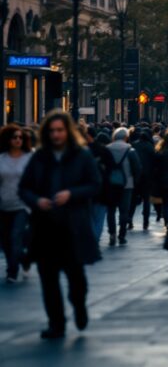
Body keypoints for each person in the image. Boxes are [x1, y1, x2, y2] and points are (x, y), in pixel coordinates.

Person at [18, 110, 102, 339]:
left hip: (72, 226)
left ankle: (79, 305)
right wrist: (37, 200)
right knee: (48, 279)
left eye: (60, 130)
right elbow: (24, 188)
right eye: (52, 131)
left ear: (68, 132)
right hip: (45, 227)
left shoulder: (81, 156)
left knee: (76, 277)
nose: (56, 135)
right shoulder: (39, 157)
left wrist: (72, 194)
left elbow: (95, 185)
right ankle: (56, 323)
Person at [0, 125, 33, 282]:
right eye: (14, 137)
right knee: (5, 240)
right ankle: (23, 258)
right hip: (3, 204)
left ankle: (12, 271)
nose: (18, 140)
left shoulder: (28, 158)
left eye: (20, 137)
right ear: (8, 139)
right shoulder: (1, 158)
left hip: (22, 205)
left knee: (15, 236)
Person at [106, 128, 142, 246]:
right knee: (124, 211)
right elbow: (137, 168)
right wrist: (135, 182)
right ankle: (122, 235)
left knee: (110, 210)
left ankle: (112, 233)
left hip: (110, 184)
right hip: (127, 184)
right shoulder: (130, 150)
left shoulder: (107, 149)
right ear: (126, 137)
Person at [85, 129, 113, 243]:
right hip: (102, 189)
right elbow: (111, 169)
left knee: (89, 217)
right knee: (99, 218)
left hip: (86, 190)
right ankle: (94, 240)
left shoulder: (80, 151)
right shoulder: (104, 150)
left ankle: (92, 239)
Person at [130, 129, 157, 230]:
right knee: (146, 200)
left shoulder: (134, 145)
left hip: (135, 176)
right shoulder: (150, 147)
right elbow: (155, 162)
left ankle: (130, 219)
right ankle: (145, 222)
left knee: (133, 200)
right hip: (147, 177)